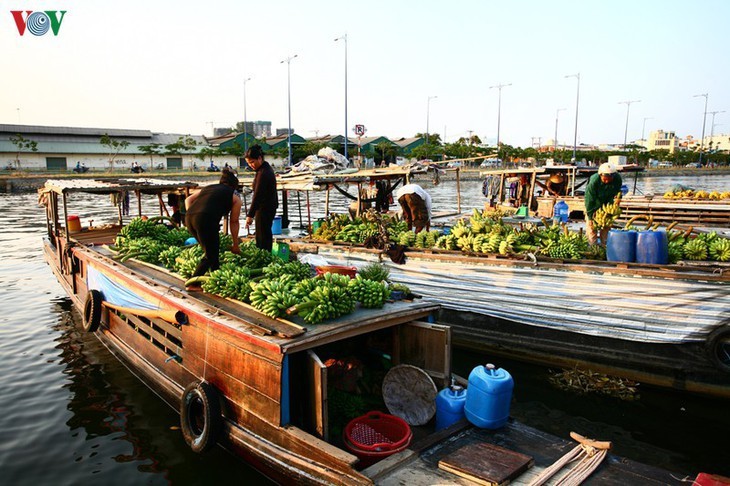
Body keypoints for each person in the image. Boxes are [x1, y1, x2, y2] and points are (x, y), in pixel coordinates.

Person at [184, 169, 242, 286]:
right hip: (206, 220)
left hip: (189, 218)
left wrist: (193, 214)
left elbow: (188, 199)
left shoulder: (208, 188)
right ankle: (192, 284)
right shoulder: (234, 196)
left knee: (212, 250)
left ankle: (215, 275)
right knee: (210, 255)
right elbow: (234, 221)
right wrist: (235, 244)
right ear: (234, 186)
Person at [244, 144, 278, 251]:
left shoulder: (263, 172)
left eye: (252, 162)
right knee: (264, 233)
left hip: (265, 207)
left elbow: (257, 195)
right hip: (267, 206)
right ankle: (266, 255)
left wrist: (250, 215)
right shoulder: (264, 169)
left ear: (259, 158)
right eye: (249, 163)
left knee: (263, 235)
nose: (251, 165)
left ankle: (264, 256)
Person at [585, 162, 623, 246]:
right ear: (600, 175)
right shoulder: (594, 181)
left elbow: (618, 191)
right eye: (605, 178)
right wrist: (590, 217)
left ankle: (605, 247)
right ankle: (592, 247)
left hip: (607, 205)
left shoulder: (617, 179)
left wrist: (618, 198)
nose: (606, 181)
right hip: (594, 204)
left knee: (606, 228)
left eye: (609, 179)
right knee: (591, 229)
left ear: (613, 176)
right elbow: (589, 199)